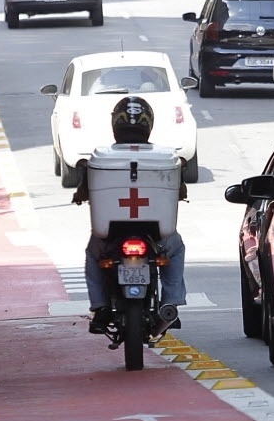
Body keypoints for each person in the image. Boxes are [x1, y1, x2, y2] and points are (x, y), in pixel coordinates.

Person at [71, 96, 188, 334]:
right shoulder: (163, 156)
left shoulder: (102, 156)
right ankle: (171, 302)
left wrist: (80, 195)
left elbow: (84, 190)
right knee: (175, 249)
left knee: (93, 254)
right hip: (157, 234)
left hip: (109, 235)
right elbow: (181, 191)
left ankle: (100, 307)